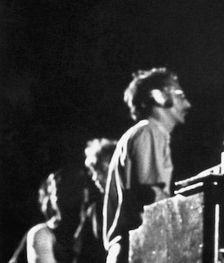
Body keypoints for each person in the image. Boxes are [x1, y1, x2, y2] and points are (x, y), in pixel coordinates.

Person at [102, 68, 191, 263]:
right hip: (138, 252)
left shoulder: (147, 133)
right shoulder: (150, 132)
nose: (188, 104)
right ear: (158, 96)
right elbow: (152, 201)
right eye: (180, 95)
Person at [18, 169, 88, 263]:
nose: (69, 202)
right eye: (60, 193)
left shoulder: (90, 229)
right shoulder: (41, 233)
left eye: (73, 194)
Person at [77, 139, 117, 263]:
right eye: (93, 172)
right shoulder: (94, 212)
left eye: (100, 170)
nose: (95, 177)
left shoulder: (135, 202)